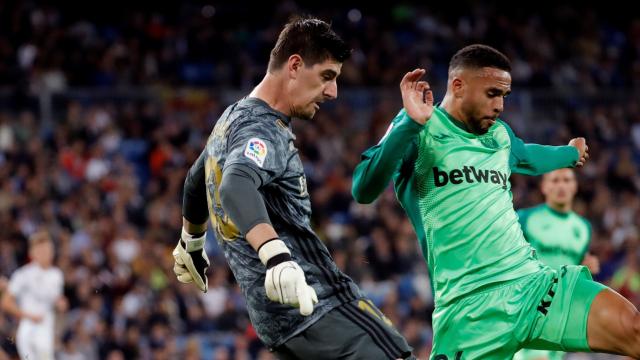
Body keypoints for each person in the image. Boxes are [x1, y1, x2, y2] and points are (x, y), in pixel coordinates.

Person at [351, 44, 640, 358]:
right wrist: (410, 123)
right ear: (458, 86)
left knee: (632, 328)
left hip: (532, 286)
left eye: (504, 95)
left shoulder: (499, 136)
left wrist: (571, 154)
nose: (500, 105)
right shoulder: (420, 128)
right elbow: (363, 188)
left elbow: (529, 155)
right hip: (469, 312)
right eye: (492, 93)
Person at [172, 16, 414, 360]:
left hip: (280, 326)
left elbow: (197, 179)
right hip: (321, 305)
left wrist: (191, 241)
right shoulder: (263, 128)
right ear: (295, 66)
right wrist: (277, 256)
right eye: (327, 77)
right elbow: (235, 186)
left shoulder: (230, 119)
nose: (333, 92)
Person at [514, 168, 599, 360]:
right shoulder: (525, 218)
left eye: (567, 180)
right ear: (544, 186)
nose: (561, 186)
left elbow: (574, 270)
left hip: (561, 315)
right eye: (555, 180)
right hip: (530, 310)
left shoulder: (583, 229)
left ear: (575, 186)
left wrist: (585, 267)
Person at [1, 231, 67, 360]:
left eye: (48, 249)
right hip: (30, 330)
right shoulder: (23, 274)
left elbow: (57, 303)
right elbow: (5, 302)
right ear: (32, 252)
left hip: (47, 329)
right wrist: (29, 316)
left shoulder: (57, 275)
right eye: (41, 249)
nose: (45, 253)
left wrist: (61, 304)